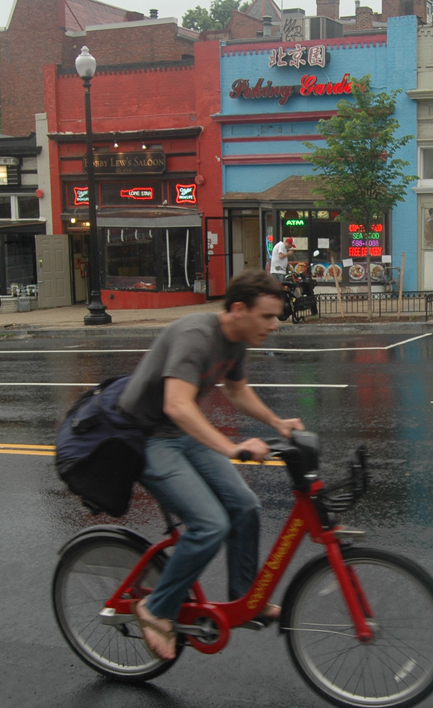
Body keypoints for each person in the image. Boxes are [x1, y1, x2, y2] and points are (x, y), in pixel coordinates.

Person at [118, 270, 303, 660]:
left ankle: (243, 599)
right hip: (145, 437)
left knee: (246, 505)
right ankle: (155, 609)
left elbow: (236, 390)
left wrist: (277, 423)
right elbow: (177, 404)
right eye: (267, 316)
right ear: (238, 309)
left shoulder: (237, 338)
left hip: (180, 433)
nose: (274, 324)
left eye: (276, 316)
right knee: (210, 524)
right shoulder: (197, 335)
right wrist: (231, 449)